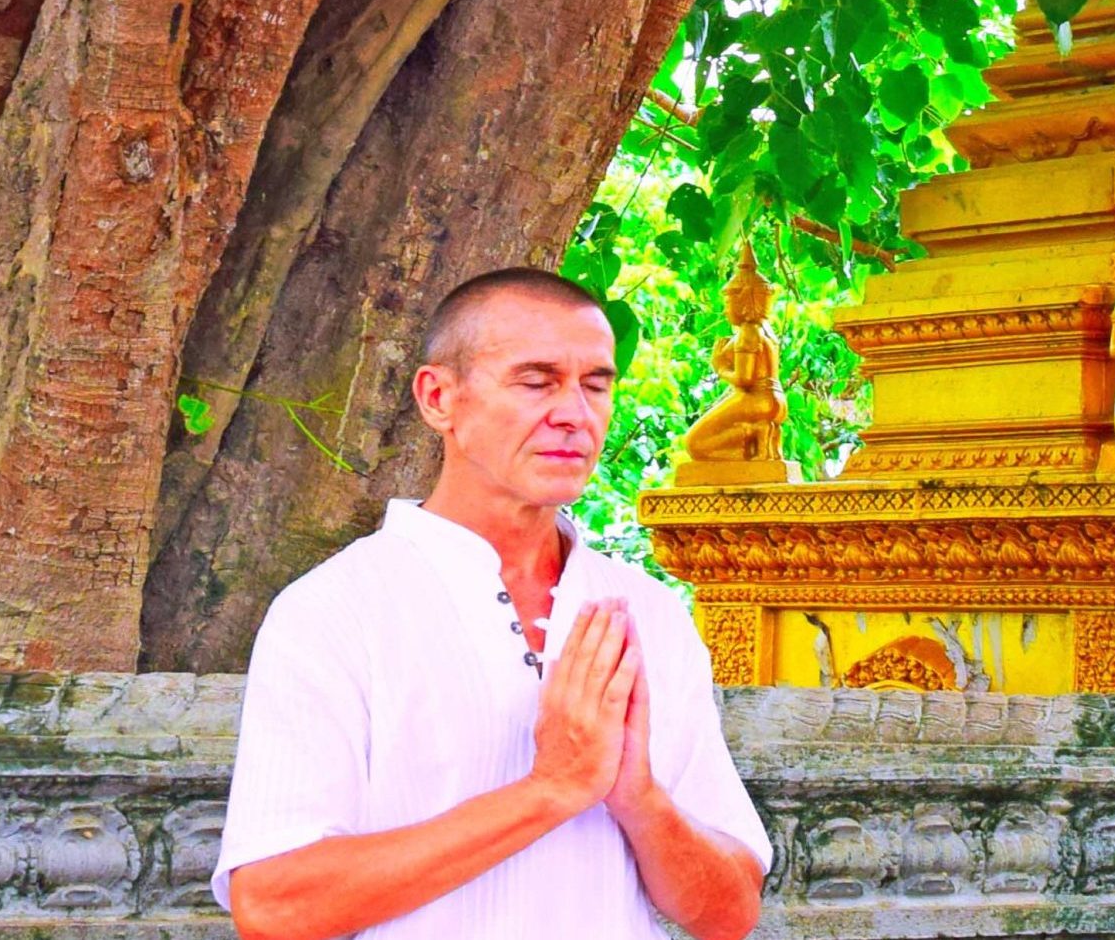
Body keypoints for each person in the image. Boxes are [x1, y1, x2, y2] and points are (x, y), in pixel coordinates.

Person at [213, 269, 769, 940]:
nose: (574, 413)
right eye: (536, 382)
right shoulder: (336, 610)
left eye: (596, 385)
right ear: (439, 398)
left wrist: (640, 799)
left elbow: (730, 913)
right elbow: (273, 906)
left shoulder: (647, 612)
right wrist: (550, 790)